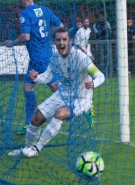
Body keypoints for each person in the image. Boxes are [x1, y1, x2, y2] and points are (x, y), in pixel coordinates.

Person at [8, 27, 105, 157]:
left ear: (70, 41)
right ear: (54, 42)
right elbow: (47, 77)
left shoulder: (80, 57)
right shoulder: (54, 58)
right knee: (36, 119)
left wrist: (93, 84)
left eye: (64, 39)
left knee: (59, 113)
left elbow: (100, 76)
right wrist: (37, 78)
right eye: (58, 40)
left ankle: (37, 148)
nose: (61, 42)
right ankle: (27, 148)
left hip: (81, 98)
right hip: (62, 94)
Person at [5, 0, 63, 135]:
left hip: (38, 57)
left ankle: (81, 106)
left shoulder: (25, 14)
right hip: (45, 54)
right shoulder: (44, 10)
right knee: (28, 87)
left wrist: (12, 42)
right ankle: (28, 124)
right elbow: (60, 26)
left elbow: (25, 37)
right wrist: (46, 36)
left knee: (55, 87)